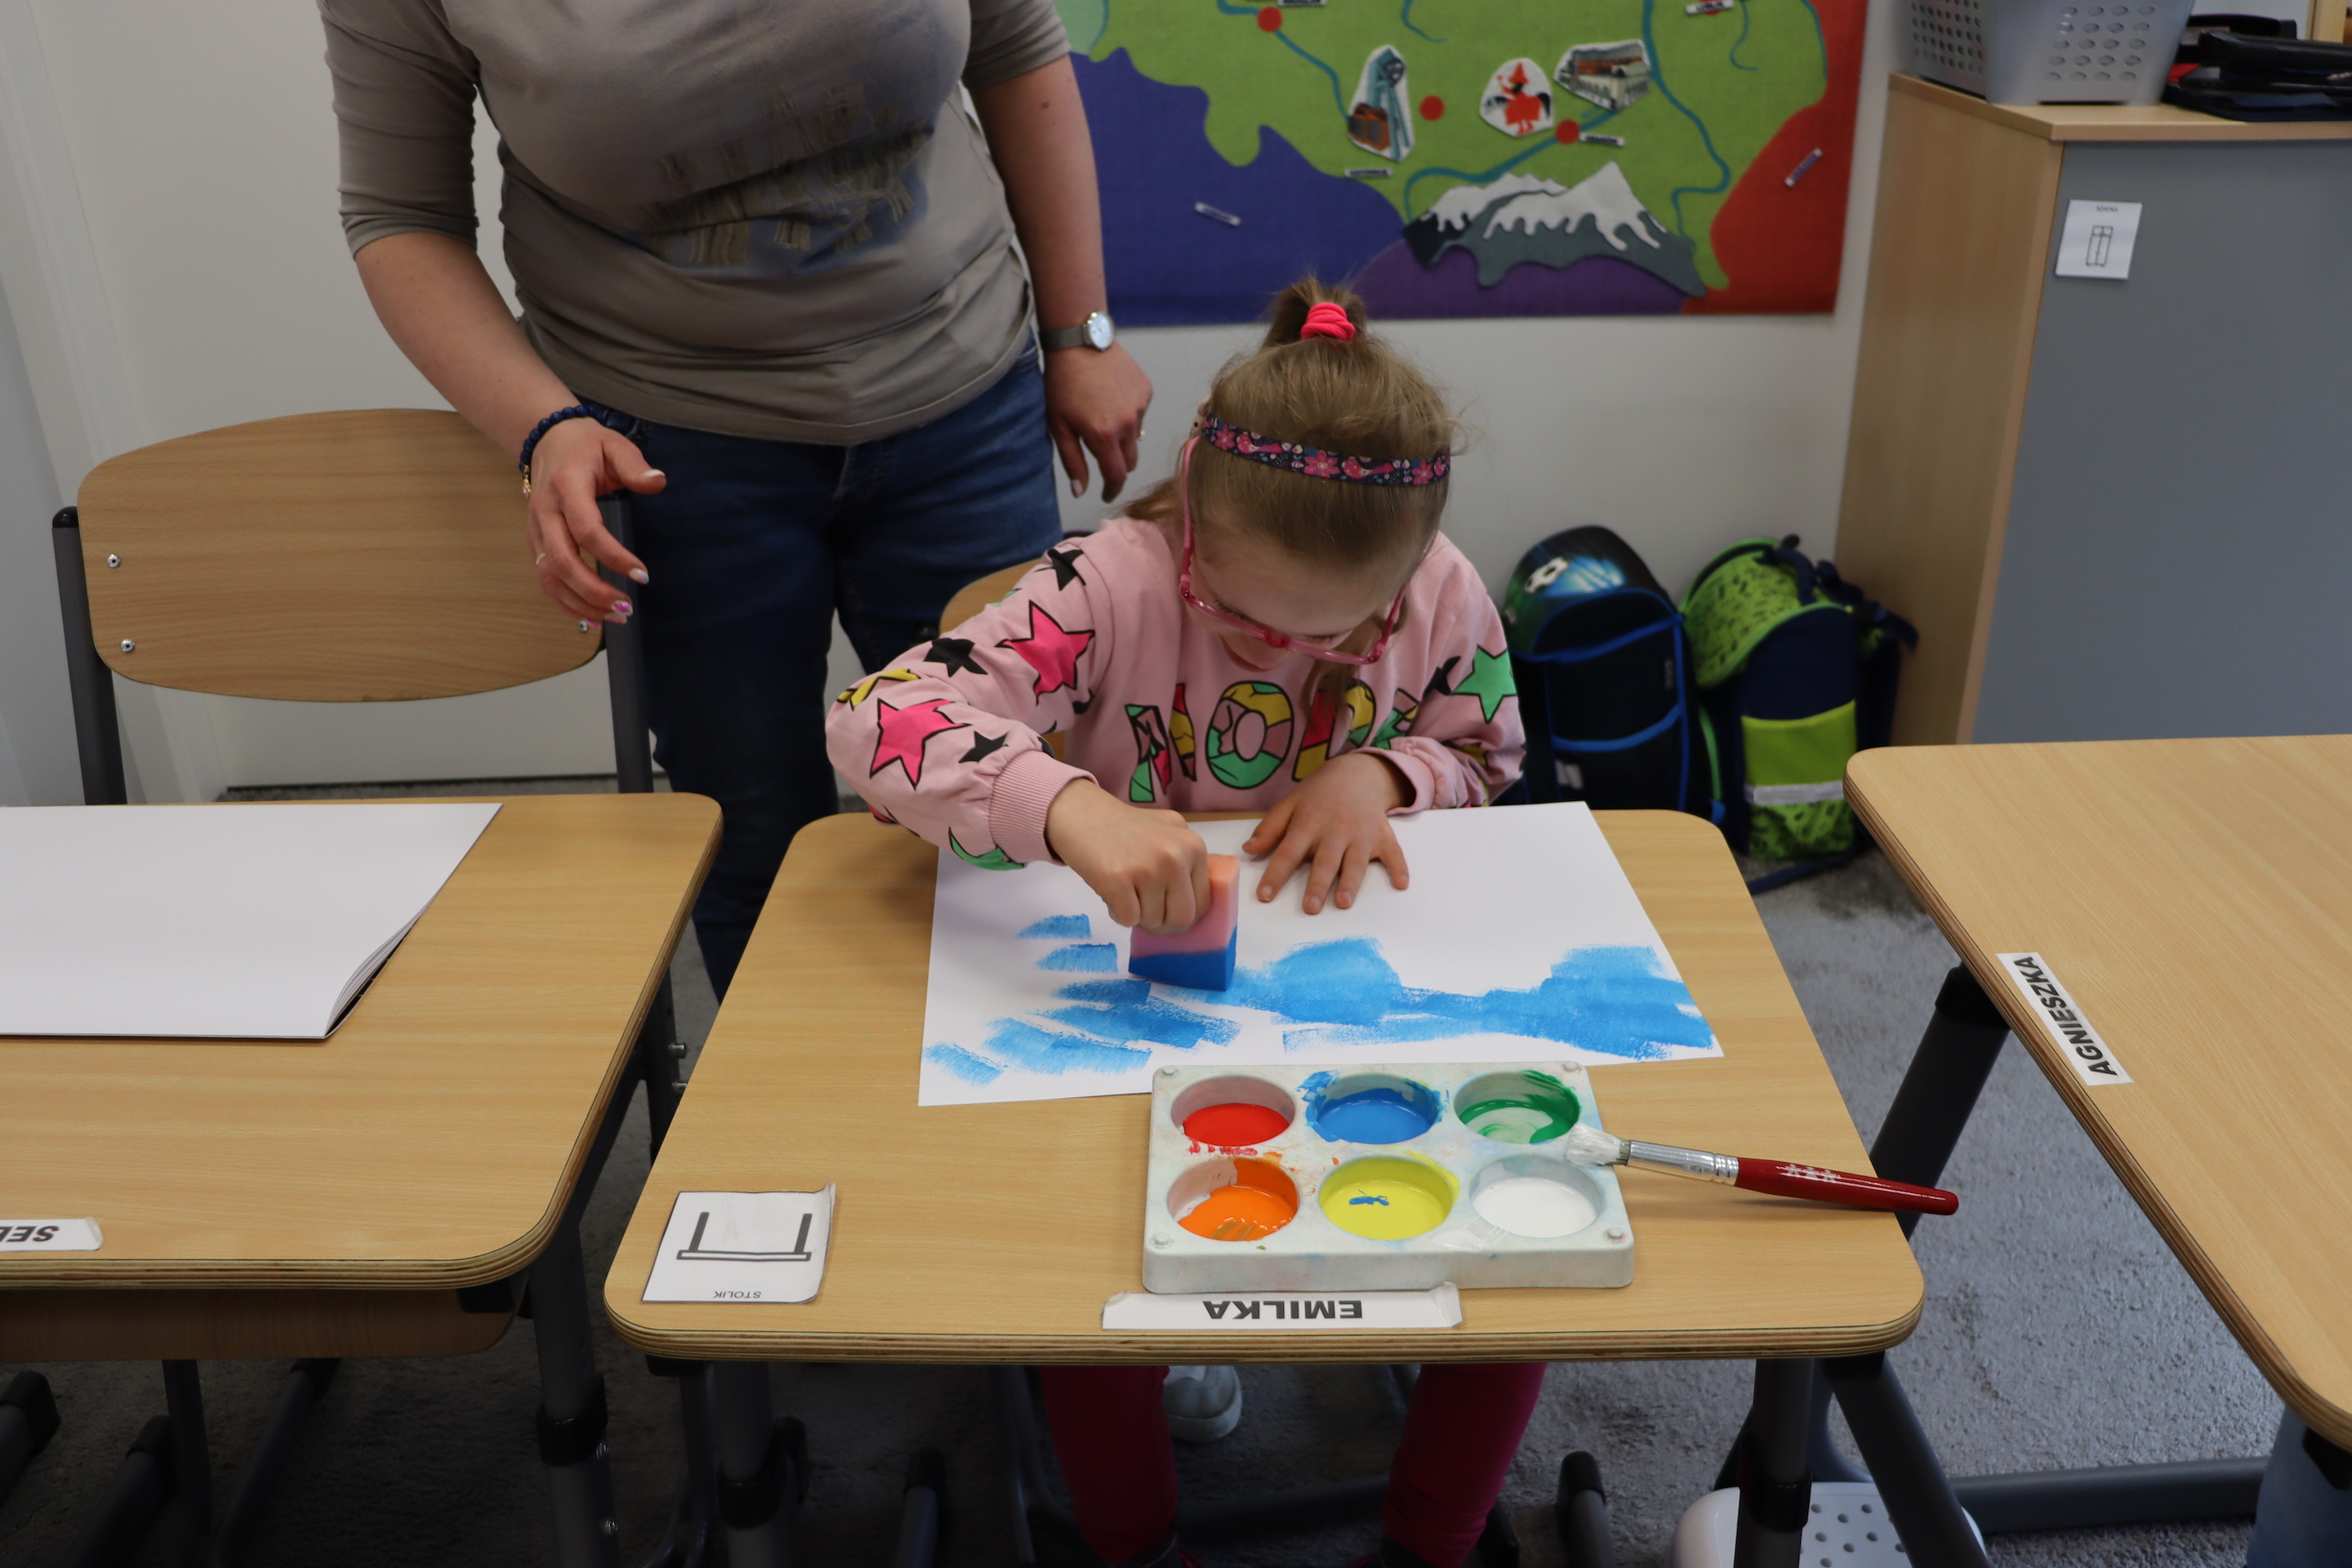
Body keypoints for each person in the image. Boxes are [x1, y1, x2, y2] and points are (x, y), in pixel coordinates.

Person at [826, 279, 1533, 1568]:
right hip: (1125, 1025)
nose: (1281, 653)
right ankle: (1136, 1543)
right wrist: (1064, 805)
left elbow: (1487, 748)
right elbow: (876, 719)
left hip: (1354, 1003)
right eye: (1242, 619)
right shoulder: (1105, 584)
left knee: (1514, 1241)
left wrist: (1386, 773)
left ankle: (1435, 1542)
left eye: (1342, 633)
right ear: (1190, 520)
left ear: (1410, 570)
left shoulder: (1442, 590)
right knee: (1089, 1276)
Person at [322, 0, 1152, 994]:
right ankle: (795, 1095)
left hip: (963, 398)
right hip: (670, 444)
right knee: (752, 834)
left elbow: (1015, 46)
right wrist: (544, 427)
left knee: (1017, 800)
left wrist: (1081, 333)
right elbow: (401, 216)